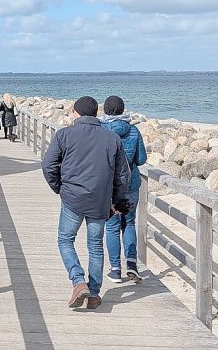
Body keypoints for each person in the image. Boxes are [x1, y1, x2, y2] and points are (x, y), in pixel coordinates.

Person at [41, 96, 131, 310]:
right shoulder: (112, 138)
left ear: (76, 113)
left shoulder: (65, 134)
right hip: (100, 201)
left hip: (73, 197)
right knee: (95, 246)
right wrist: (116, 202)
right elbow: (123, 176)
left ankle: (78, 280)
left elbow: (48, 165)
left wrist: (60, 188)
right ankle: (93, 293)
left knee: (65, 240)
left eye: (73, 112)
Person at [100, 95, 148, 283]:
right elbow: (141, 159)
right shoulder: (134, 131)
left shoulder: (102, 131)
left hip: (110, 188)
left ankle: (115, 269)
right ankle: (132, 264)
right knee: (128, 223)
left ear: (105, 110)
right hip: (130, 186)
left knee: (111, 226)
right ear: (123, 110)